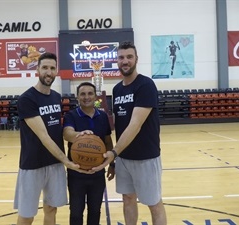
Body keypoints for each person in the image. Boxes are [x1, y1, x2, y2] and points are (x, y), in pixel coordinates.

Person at [93, 41, 167, 225]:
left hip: (146, 157)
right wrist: (117, 157)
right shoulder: (117, 90)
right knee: (128, 199)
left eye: (129, 57)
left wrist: (113, 153)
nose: (125, 61)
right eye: (121, 57)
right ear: (117, 61)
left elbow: (135, 124)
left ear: (136, 59)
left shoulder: (145, 85)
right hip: (125, 158)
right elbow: (119, 124)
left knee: (154, 204)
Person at [13, 52, 91, 225]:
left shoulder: (56, 97)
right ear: (37, 70)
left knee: (51, 208)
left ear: (56, 71)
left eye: (52, 68)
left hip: (54, 163)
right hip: (32, 164)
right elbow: (44, 136)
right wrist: (66, 161)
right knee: (27, 214)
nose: (49, 72)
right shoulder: (27, 99)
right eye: (45, 68)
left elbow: (57, 129)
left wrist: (79, 135)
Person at [63, 82, 114, 225]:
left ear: (96, 96)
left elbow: (107, 141)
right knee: (76, 212)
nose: (86, 97)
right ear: (77, 97)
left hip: (97, 173)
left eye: (90, 93)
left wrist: (112, 164)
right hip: (76, 172)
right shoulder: (71, 115)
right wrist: (80, 135)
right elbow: (67, 133)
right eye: (83, 94)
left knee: (95, 211)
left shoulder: (103, 116)